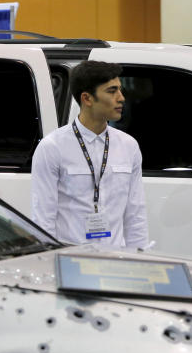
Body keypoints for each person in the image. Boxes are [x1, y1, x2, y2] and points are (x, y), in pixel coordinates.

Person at [31, 61, 148, 249]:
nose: (121, 98)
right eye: (112, 91)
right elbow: (43, 217)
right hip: (72, 258)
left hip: (116, 257)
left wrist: (141, 257)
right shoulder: (52, 148)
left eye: (120, 89)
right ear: (87, 98)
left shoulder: (129, 146)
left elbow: (135, 214)